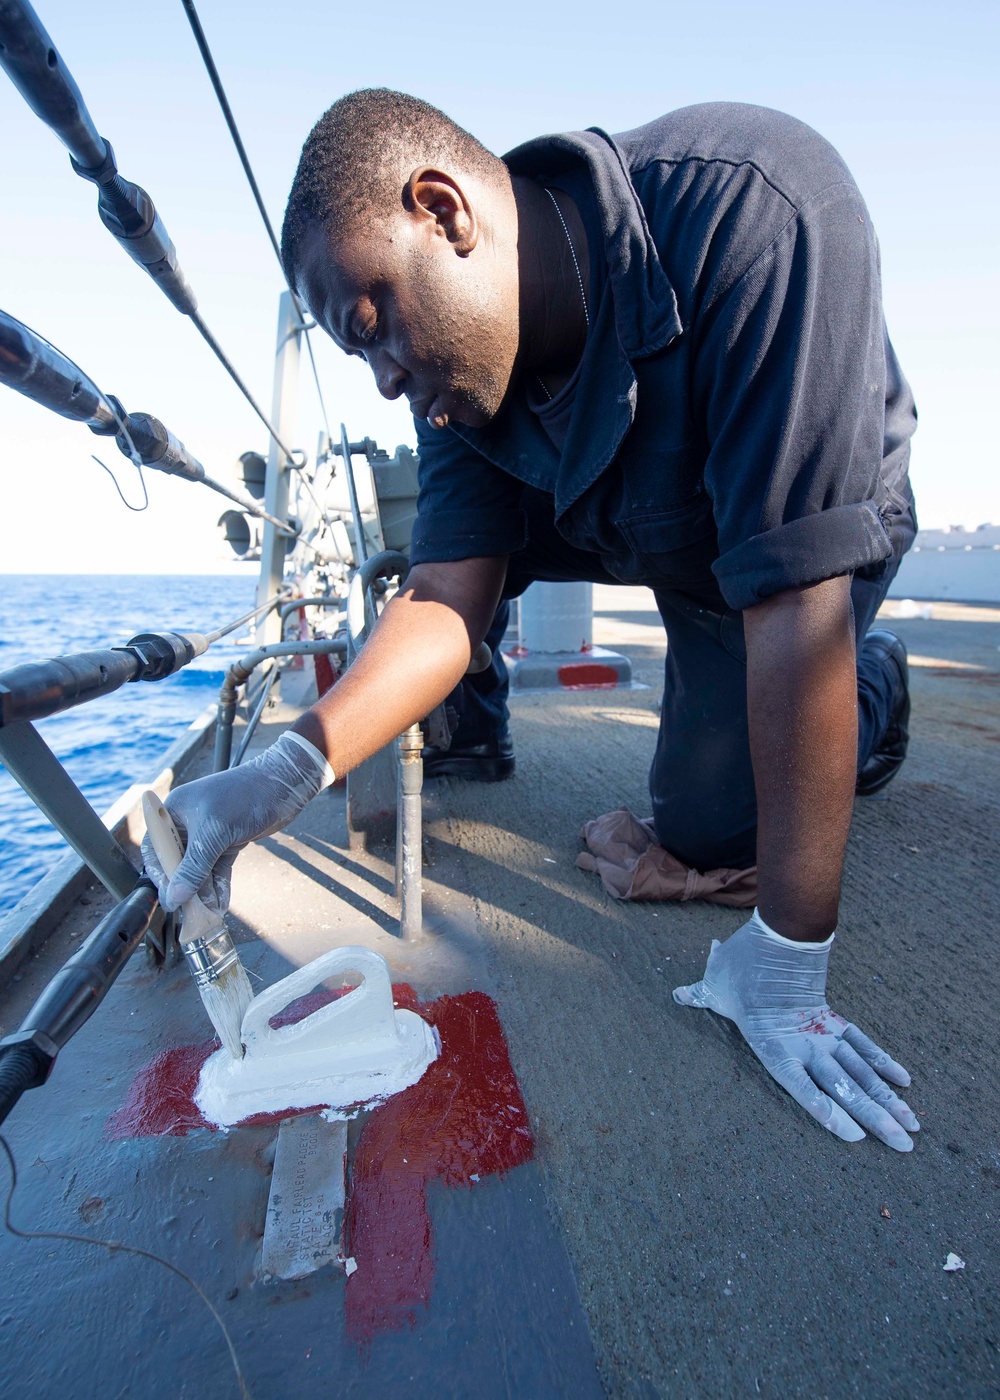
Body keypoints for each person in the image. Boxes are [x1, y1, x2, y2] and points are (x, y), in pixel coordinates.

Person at [144, 90, 921, 1152]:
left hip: (801, 544)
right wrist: (286, 768)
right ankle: (639, 713)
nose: (382, 382)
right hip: (649, 533)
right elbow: (442, 595)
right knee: (691, 810)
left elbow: (792, 601)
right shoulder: (461, 371)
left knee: (726, 815)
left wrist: (788, 960)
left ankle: (873, 691)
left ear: (443, 211)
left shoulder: (758, 209)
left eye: (373, 329)